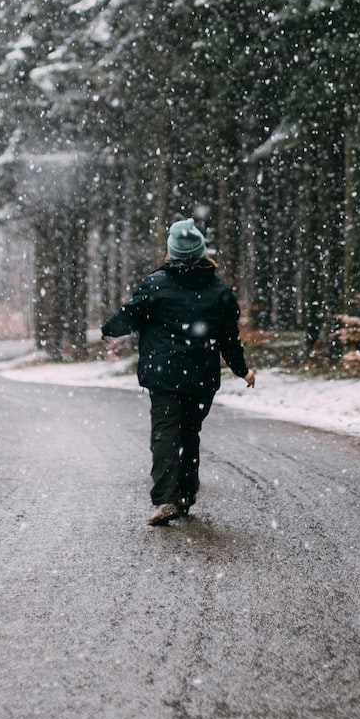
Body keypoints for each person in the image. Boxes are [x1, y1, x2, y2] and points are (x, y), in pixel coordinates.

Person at [103, 217, 255, 525]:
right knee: (189, 433)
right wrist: (243, 370)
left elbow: (129, 316)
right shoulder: (218, 290)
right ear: (200, 251)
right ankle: (185, 493)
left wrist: (110, 329)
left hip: (164, 374)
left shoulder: (156, 284)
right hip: (201, 377)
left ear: (172, 251)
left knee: (165, 434)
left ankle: (167, 498)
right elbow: (229, 337)